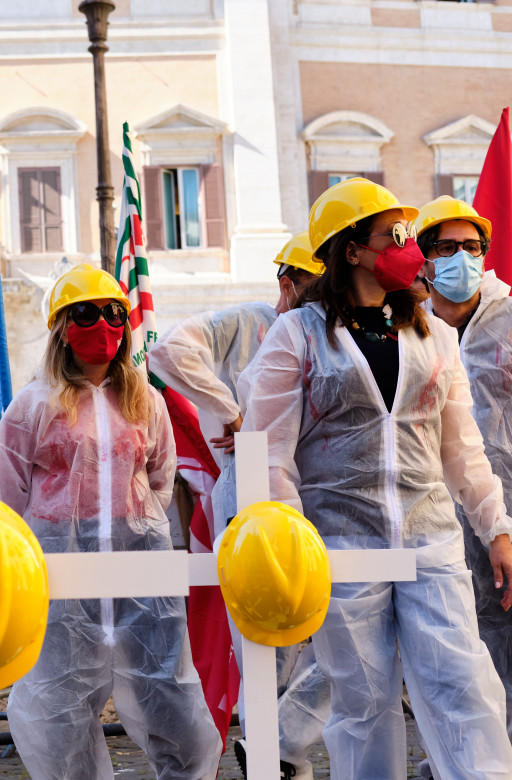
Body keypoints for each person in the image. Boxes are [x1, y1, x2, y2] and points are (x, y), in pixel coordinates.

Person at [239, 177, 512, 779]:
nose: (410, 247)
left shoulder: (433, 333)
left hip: (432, 542)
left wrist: (496, 528)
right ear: (350, 250)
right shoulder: (299, 334)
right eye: (394, 234)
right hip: (342, 547)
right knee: (362, 703)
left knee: (463, 687)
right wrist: (292, 537)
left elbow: (462, 449)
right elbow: (266, 452)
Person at [0, 263, 220, 780]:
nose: (105, 325)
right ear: (62, 330)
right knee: (61, 698)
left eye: (115, 313)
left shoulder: (145, 401)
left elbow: (161, 479)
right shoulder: (31, 405)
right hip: (59, 566)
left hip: (140, 562)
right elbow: (5, 497)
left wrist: (134, 529)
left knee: (169, 687)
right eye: (88, 314)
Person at [152, 232, 328, 780]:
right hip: (249, 489)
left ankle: (279, 744)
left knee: (339, 629)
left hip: (315, 490)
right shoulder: (250, 322)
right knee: (262, 635)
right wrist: (231, 413)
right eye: (316, 292)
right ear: (287, 284)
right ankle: (271, 755)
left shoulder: (335, 335)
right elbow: (170, 349)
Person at [415, 195, 512, 778]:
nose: (461, 257)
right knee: (497, 664)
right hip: (464, 525)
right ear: (423, 258)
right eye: (447, 248)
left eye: (472, 247)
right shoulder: (413, 333)